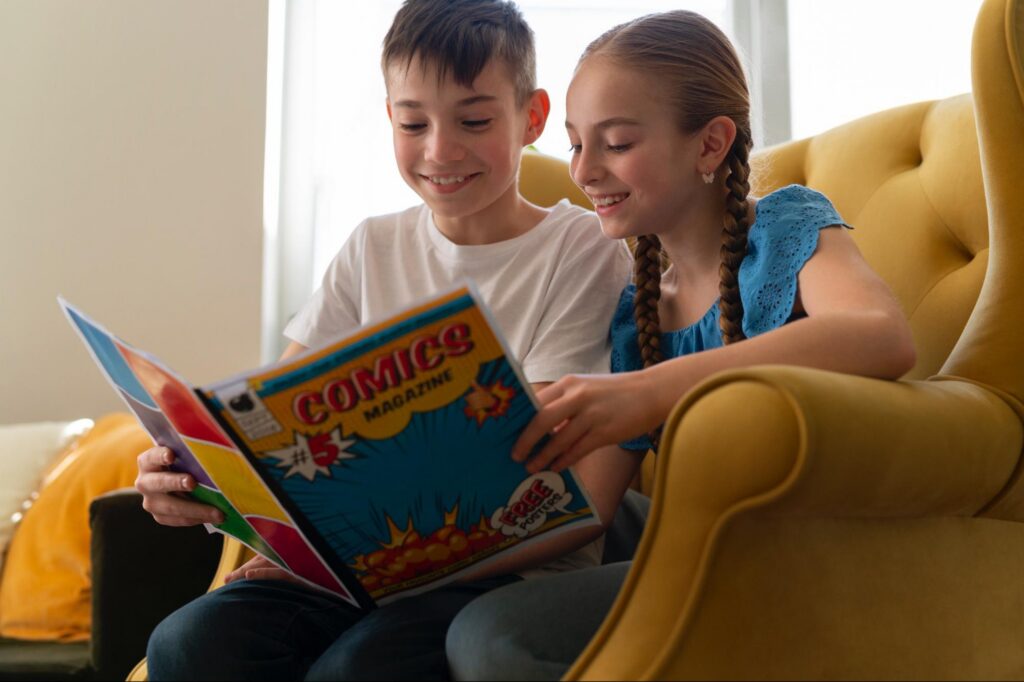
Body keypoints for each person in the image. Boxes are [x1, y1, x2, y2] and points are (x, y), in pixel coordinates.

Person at [133, 1, 636, 679]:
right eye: (412, 122)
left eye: (475, 120)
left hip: (501, 576)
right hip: (349, 572)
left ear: (533, 119)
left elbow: (558, 487)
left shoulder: (582, 251)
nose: (440, 150)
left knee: (361, 666)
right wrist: (189, 474)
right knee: (188, 643)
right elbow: (266, 428)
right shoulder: (372, 246)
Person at [446, 9, 916, 680]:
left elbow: (884, 336)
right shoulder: (640, 313)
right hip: (696, 542)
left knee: (490, 637)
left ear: (709, 143)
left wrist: (650, 390)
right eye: (577, 144)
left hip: (811, 551)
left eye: (615, 142)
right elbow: (585, 514)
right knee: (467, 611)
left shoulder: (786, 226)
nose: (584, 170)